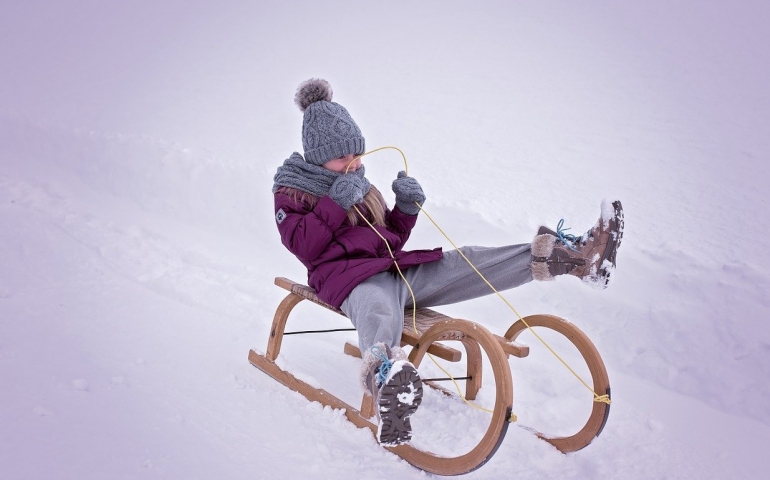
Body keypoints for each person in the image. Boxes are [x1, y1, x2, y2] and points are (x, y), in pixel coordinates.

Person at [272, 78, 624, 446]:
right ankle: (388, 389)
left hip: (395, 270)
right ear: (318, 157)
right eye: (345, 158)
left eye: (358, 155)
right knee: (378, 312)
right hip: (351, 282)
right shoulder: (293, 190)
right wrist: (335, 203)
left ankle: (574, 258)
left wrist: (405, 210)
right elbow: (302, 246)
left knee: (466, 260)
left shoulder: (355, 181)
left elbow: (386, 236)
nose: (355, 164)